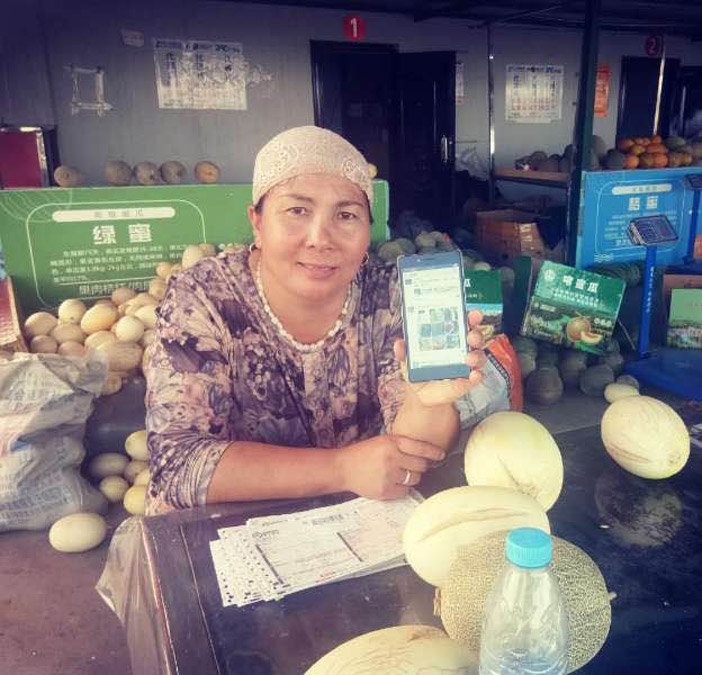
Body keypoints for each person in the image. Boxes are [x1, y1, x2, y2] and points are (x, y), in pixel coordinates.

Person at [144, 126, 487, 515]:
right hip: (229, 526)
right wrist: (342, 469)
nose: (320, 238)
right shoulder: (204, 297)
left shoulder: (389, 295)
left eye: (346, 214)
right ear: (257, 222)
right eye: (297, 211)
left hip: (355, 524)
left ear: (367, 230)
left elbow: (411, 453)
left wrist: (429, 401)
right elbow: (177, 465)